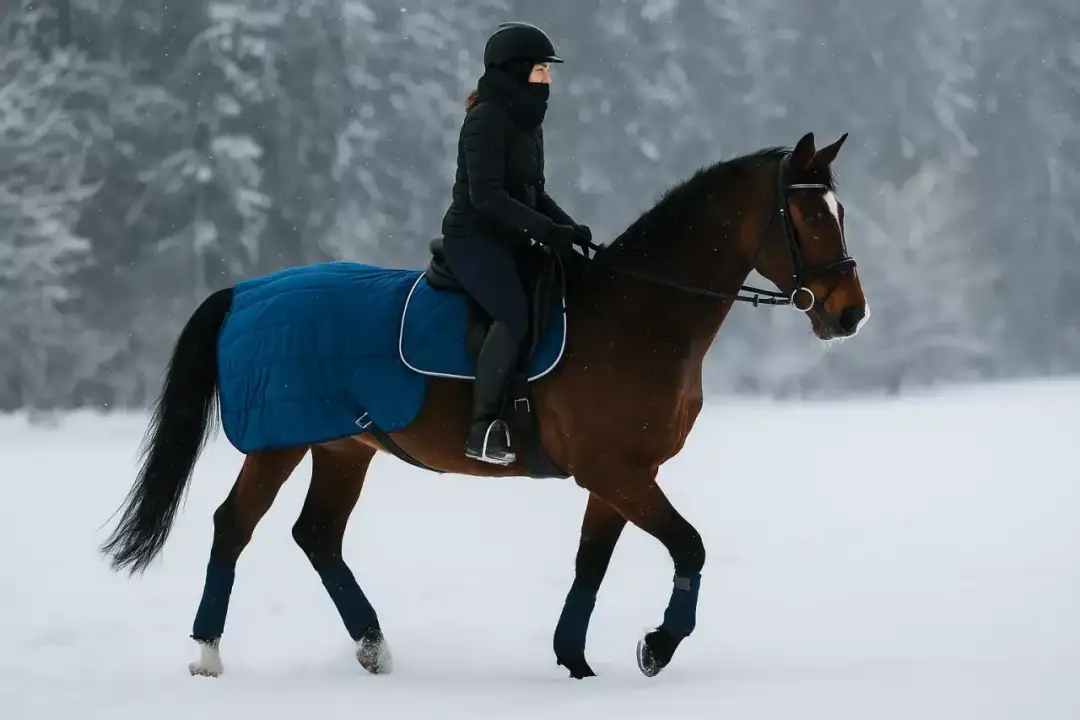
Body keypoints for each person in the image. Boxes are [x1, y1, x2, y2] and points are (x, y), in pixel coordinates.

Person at [440, 21, 592, 465]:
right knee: (513, 316)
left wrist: (569, 228)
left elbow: (535, 193)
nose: (548, 79)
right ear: (516, 69)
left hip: (511, 239)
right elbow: (486, 198)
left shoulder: (529, 122)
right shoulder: (486, 118)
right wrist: (546, 232)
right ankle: (483, 426)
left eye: (548, 71)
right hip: (473, 241)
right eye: (541, 69)